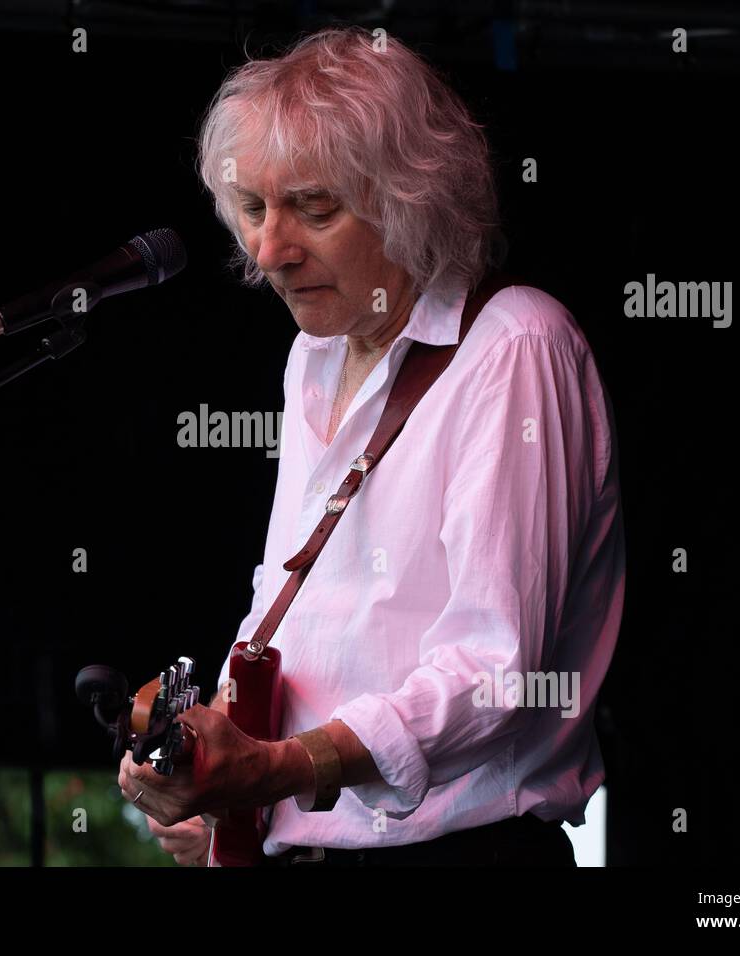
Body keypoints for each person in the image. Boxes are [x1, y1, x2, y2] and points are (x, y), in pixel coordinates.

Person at [118, 26, 626, 866]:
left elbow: (496, 671)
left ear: (410, 199)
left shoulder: (516, 345)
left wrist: (278, 769)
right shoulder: (312, 357)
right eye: (252, 208)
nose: (270, 252)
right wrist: (220, 786)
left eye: (314, 209)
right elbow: (302, 617)